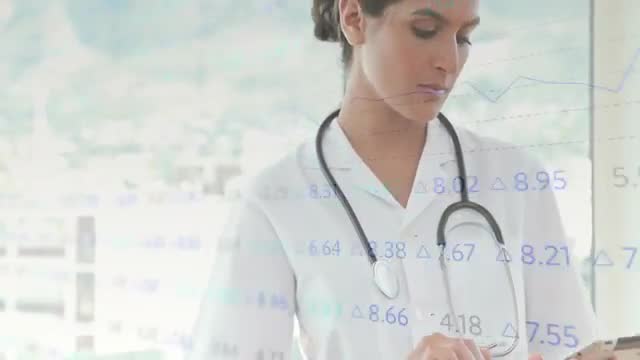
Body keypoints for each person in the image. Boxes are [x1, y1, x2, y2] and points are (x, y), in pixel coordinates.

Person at [187, 0, 602, 359]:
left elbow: (569, 347)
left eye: (463, 38)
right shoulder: (276, 201)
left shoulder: (516, 179)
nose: (449, 62)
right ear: (354, 18)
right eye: (425, 30)